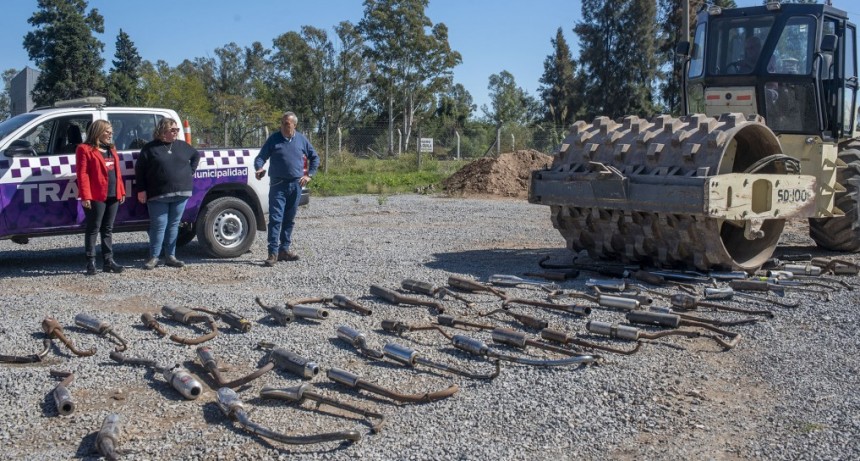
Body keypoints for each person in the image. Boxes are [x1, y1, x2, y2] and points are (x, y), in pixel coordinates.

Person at [254, 112, 319, 267]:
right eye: (282, 123)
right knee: (276, 219)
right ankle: (272, 253)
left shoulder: (301, 139)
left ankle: (284, 250)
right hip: (278, 185)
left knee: (289, 219)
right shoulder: (274, 139)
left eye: (287, 123)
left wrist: (309, 175)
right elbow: (261, 157)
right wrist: (259, 167)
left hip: (296, 185)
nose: (283, 126)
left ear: (294, 125)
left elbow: (314, 157)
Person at [135, 118, 200, 270]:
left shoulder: (183, 146)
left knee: (174, 225)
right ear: (163, 130)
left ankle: (171, 256)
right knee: (159, 226)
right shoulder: (150, 148)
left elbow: (196, 155)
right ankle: (154, 257)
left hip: (181, 192)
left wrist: (190, 171)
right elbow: (140, 170)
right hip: (158, 194)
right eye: (173, 130)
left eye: (177, 130)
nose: (176, 132)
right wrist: (141, 190)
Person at [76, 120, 126, 275]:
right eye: (107, 132)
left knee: (108, 229)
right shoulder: (84, 149)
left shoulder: (111, 149)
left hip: (113, 194)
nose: (110, 134)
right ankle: (90, 262)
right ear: (98, 132)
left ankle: (108, 261)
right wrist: (85, 196)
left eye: (111, 132)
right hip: (96, 195)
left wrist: (121, 191)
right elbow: (82, 174)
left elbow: (117, 172)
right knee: (93, 228)